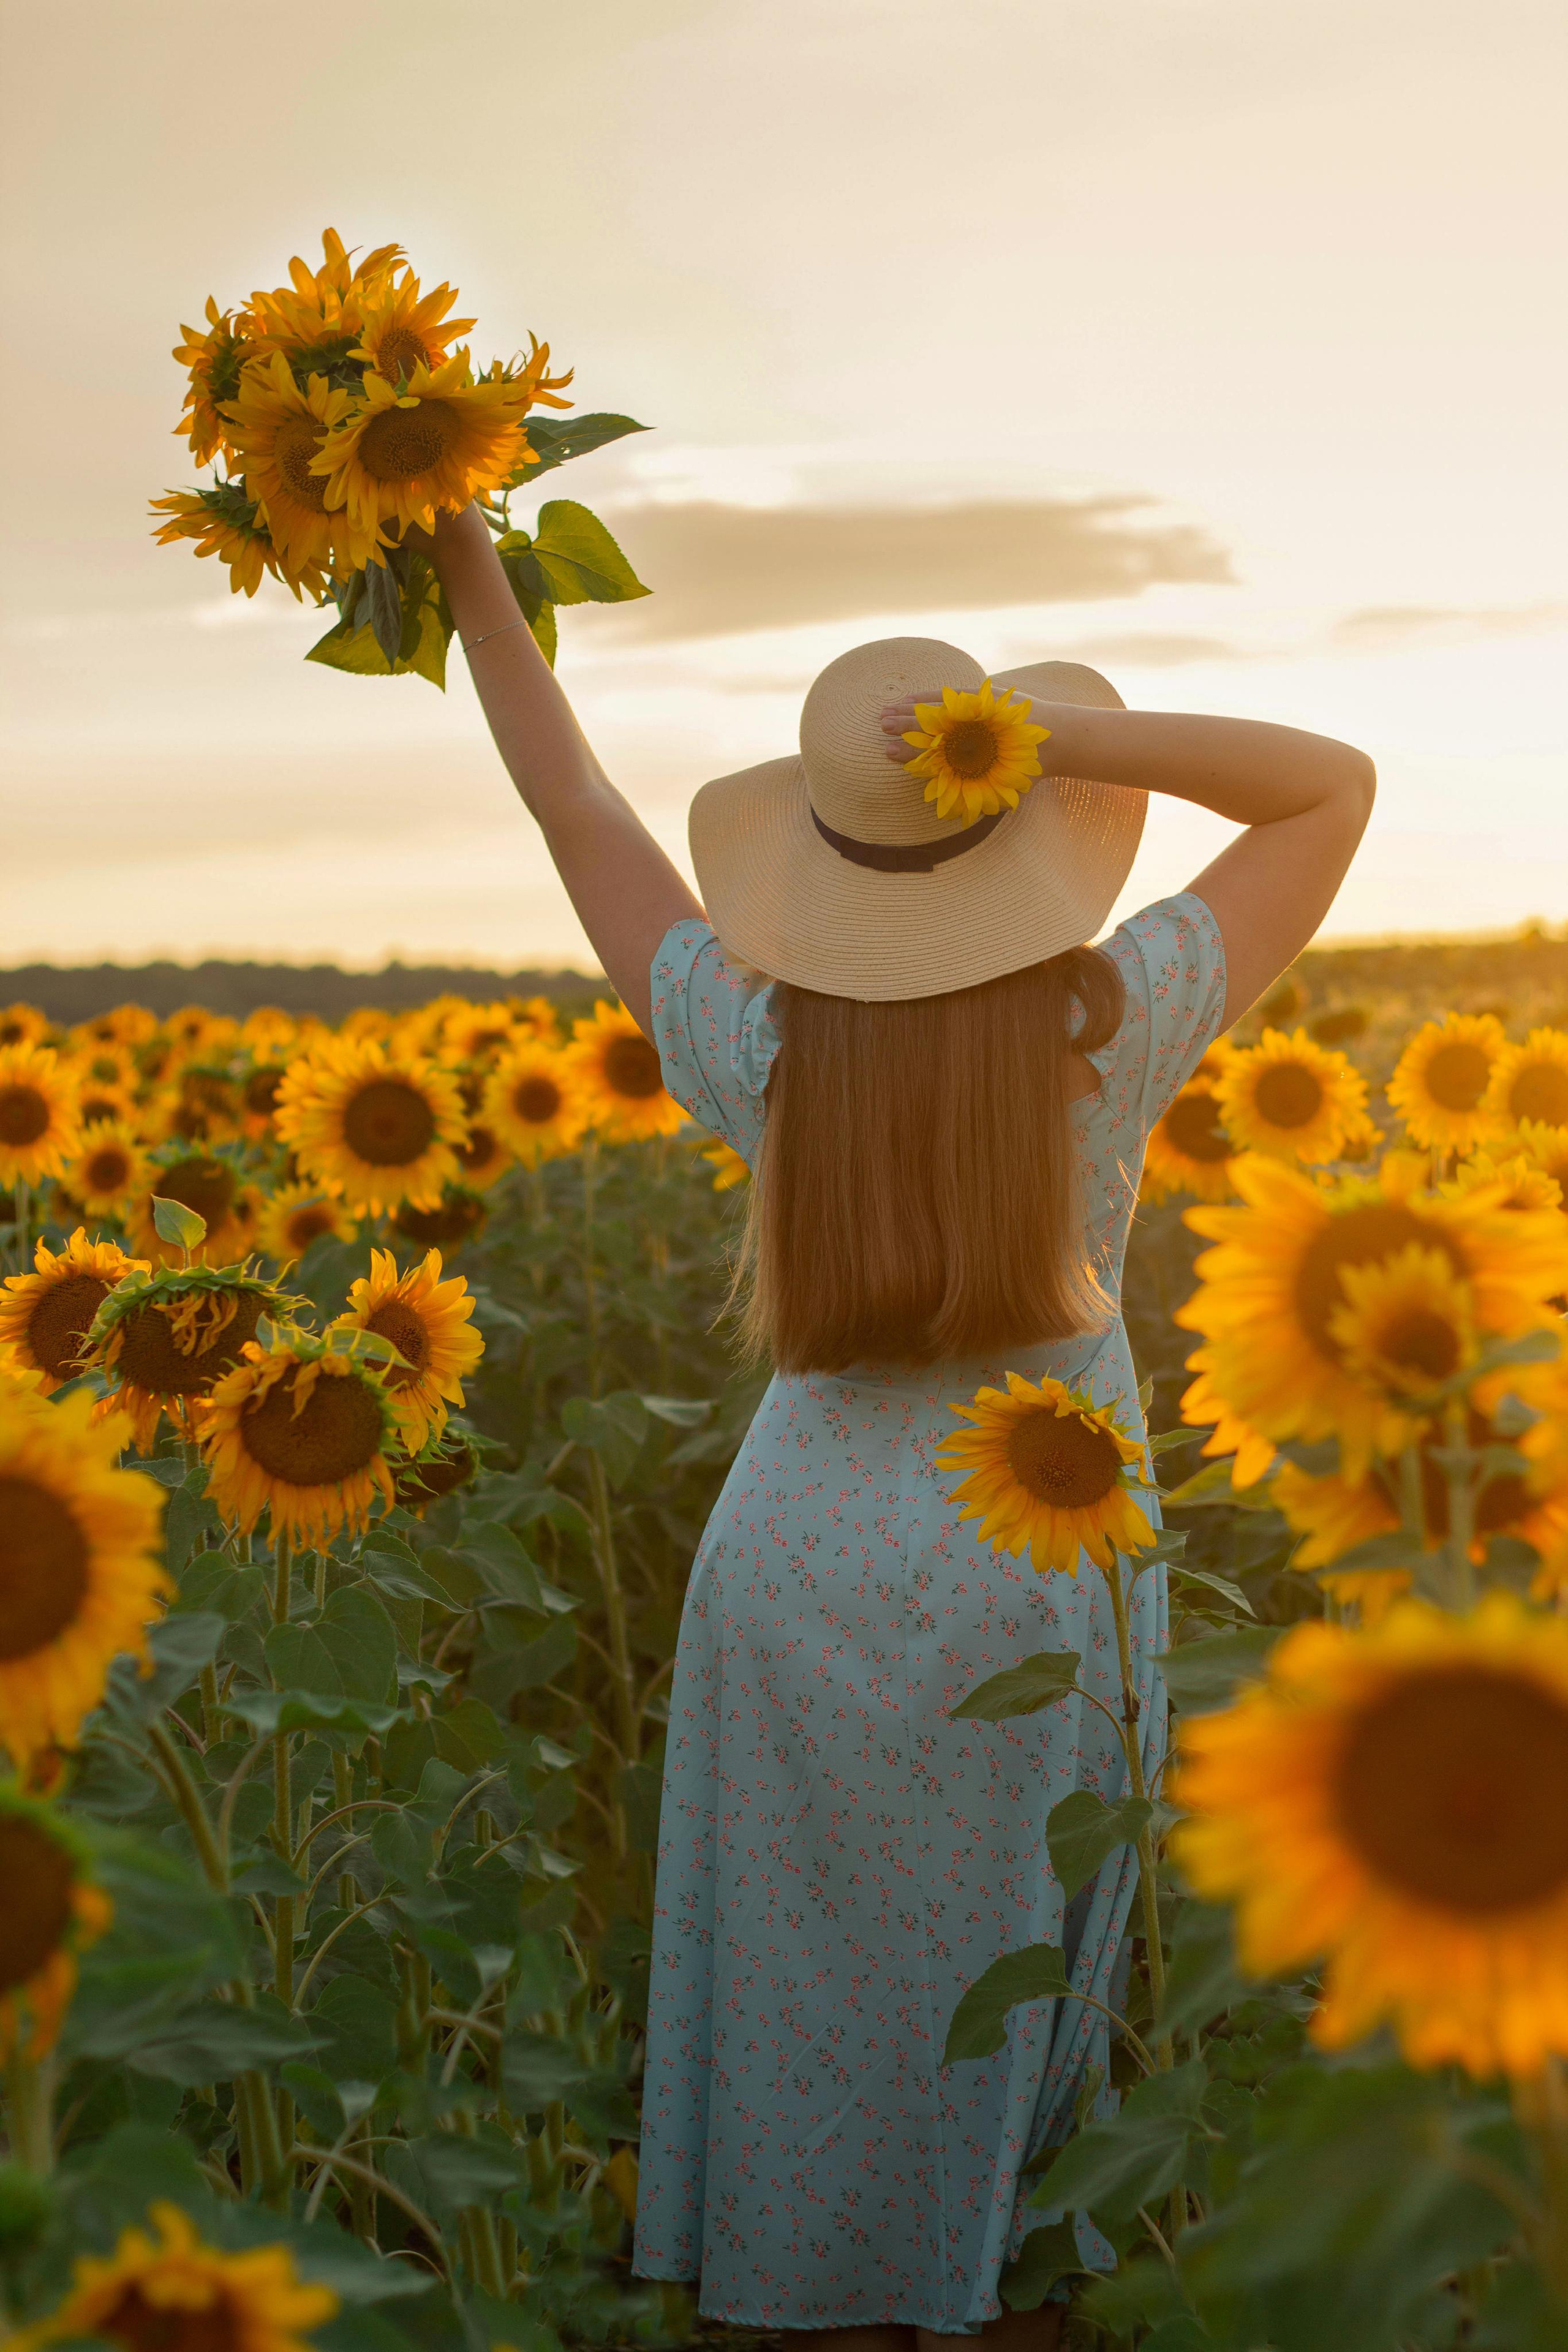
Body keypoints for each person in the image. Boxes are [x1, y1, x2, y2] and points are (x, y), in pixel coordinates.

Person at [423, 502, 1375, 2348]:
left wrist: (473, 575)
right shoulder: (1111, 1023)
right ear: (1024, 840)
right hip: (1040, 1570)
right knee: (1015, 1995)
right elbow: (1325, 790)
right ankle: (996, 2305)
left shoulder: (758, 1037)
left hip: (793, 1574)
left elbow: (583, 813)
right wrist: (1062, 734)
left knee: (807, 2000)